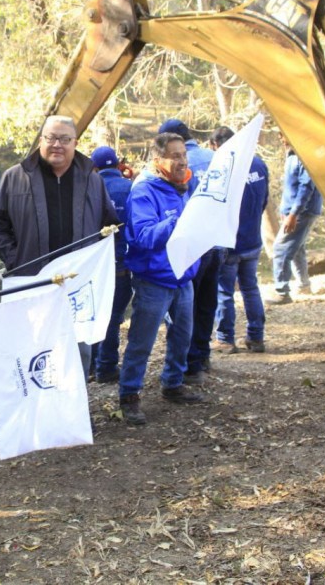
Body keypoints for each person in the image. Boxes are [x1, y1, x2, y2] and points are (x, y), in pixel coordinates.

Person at [0, 115, 118, 374]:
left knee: (79, 353)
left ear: (75, 143)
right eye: (51, 138)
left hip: (77, 284)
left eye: (64, 139)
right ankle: (40, 412)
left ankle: (74, 411)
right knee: (34, 352)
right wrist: (16, 260)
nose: (57, 144)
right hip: (32, 283)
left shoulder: (91, 179)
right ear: (41, 140)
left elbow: (110, 225)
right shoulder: (15, 177)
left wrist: (98, 265)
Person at [118, 133, 204, 426]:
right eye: (175, 156)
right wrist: (176, 221)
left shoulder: (185, 185)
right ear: (159, 161)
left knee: (183, 335)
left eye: (183, 155)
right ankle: (129, 396)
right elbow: (143, 237)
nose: (182, 161)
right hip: (153, 279)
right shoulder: (143, 191)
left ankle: (173, 383)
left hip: (183, 276)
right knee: (142, 340)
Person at [158, 119, 219, 384]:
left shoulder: (177, 165)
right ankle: (201, 357)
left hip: (192, 245)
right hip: (216, 242)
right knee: (207, 301)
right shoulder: (214, 157)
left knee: (185, 308)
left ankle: (184, 366)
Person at [208, 127, 270, 354]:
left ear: (216, 145)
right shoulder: (258, 164)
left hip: (230, 241)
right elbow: (264, 200)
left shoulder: (223, 167)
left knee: (225, 291)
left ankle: (225, 338)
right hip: (252, 238)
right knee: (250, 288)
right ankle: (256, 337)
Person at [89, 146, 132, 383]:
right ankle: (106, 367)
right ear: (117, 165)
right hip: (122, 265)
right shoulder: (130, 188)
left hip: (94, 267)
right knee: (114, 317)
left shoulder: (88, 190)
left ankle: (93, 367)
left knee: (93, 315)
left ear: (94, 168)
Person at [268, 143, 323, 304]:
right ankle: (304, 285)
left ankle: (282, 291)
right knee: (297, 248)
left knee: (280, 249)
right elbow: (291, 186)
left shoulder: (304, 157)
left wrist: (293, 213)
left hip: (302, 211)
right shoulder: (291, 155)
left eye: (282, 134)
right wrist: (285, 209)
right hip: (293, 211)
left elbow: (306, 188)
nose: (280, 138)